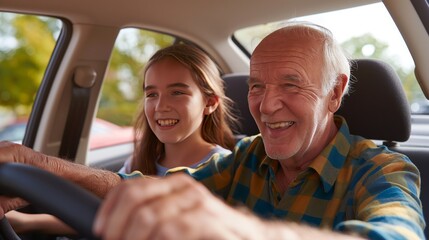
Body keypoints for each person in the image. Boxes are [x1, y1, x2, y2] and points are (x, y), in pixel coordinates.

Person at [0, 21, 425, 239]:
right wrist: (38, 166)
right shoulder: (247, 157)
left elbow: (395, 235)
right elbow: (142, 190)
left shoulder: (383, 170)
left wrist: (239, 230)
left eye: (291, 84)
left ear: (335, 93)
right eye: (256, 86)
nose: (266, 103)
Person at [4, 43, 238, 234]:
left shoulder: (224, 168)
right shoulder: (140, 161)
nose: (160, 105)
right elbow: (100, 214)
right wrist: (29, 223)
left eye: (177, 92)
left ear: (209, 103)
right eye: (151, 94)